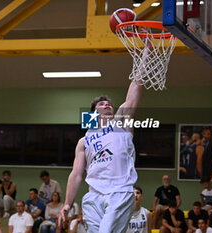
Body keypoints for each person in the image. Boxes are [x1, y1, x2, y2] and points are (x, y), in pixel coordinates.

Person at [58, 41, 149, 233]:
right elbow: (76, 174)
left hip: (120, 192)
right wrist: (67, 203)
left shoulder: (121, 122)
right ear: (93, 113)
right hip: (94, 196)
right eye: (102, 104)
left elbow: (135, 87)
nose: (107, 105)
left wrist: (147, 53)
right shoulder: (84, 141)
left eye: (109, 103)